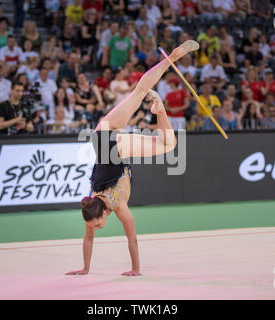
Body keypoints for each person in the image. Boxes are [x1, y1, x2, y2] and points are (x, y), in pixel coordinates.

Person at [66, 40, 199, 277]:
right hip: (100, 135)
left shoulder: (117, 207)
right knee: (139, 92)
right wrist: (84, 269)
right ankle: (171, 61)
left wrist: (136, 269)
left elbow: (133, 239)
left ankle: (160, 107)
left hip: (116, 148)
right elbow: (90, 241)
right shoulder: (92, 204)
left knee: (169, 144)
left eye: (95, 225)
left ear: (102, 215)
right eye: (93, 226)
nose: (95, 229)